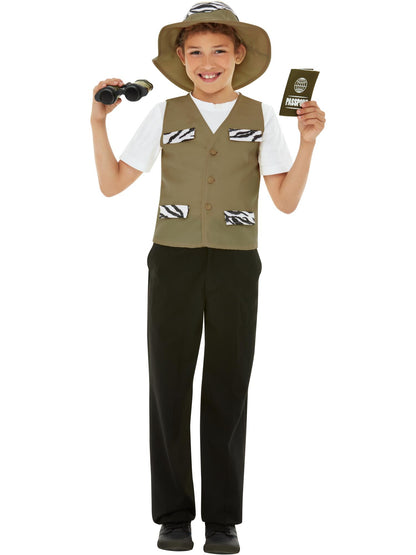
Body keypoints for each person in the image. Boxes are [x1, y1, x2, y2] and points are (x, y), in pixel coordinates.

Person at [90, 2, 325, 553]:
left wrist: (309, 143)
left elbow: (285, 201)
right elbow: (113, 183)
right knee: (168, 384)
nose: (207, 61)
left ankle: (222, 520)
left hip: (236, 263)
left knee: (227, 385)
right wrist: (98, 123)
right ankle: (173, 517)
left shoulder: (263, 115)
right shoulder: (165, 113)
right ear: (181, 58)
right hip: (172, 260)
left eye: (219, 50)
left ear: (239, 55)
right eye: (195, 51)